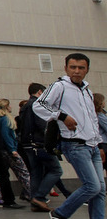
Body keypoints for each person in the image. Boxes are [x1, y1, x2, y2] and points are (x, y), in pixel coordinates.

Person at [32, 53, 107, 219]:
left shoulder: (87, 90)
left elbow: (91, 119)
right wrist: (62, 116)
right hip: (75, 144)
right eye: (73, 67)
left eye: (81, 68)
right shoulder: (60, 86)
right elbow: (38, 105)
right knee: (92, 186)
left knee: (100, 188)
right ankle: (60, 213)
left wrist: (99, 144)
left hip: (92, 145)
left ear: (87, 69)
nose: (77, 71)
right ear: (66, 68)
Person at [20, 82, 69, 211]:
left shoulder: (25, 106)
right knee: (56, 170)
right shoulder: (37, 106)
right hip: (40, 143)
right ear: (40, 93)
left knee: (36, 173)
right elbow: (43, 125)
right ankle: (39, 198)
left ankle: (35, 201)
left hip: (28, 144)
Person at [0, 99, 31, 205]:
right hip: (9, 150)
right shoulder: (5, 119)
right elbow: (6, 135)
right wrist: (12, 149)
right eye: (9, 106)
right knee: (23, 172)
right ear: (6, 107)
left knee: (0, 174)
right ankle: (32, 194)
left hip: (2, 150)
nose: (11, 108)